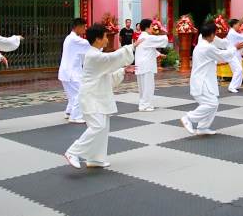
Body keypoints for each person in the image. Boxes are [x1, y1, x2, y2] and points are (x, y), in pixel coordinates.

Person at [64, 24, 142, 169]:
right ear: (98, 39)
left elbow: (107, 74)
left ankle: (95, 158)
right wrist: (131, 47)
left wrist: (123, 70)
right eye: (106, 36)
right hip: (91, 97)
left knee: (103, 127)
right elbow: (111, 59)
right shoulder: (93, 55)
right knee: (98, 126)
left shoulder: (96, 54)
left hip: (98, 96)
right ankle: (73, 152)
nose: (107, 39)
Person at [180, 23, 235, 136]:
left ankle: (203, 127)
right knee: (212, 104)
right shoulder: (207, 47)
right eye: (214, 34)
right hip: (202, 81)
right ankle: (189, 118)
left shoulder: (201, 45)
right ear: (211, 35)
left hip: (203, 80)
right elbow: (222, 55)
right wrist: (234, 48)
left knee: (213, 103)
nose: (215, 37)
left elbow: (217, 56)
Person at [58, 18, 91, 124]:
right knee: (80, 93)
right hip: (71, 73)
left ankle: (69, 112)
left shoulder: (70, 38)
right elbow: (89, 45)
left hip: (67, 72)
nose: (85, 29)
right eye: (84, 27)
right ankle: (75, 116)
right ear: (78, 27)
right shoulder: (74, 39)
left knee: (73, 94)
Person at [134, 18, 169, 111]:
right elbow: (164, 40)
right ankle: (145, 105)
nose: (152, 28)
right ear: (147, 27)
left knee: (142, 86)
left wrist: (159, 54)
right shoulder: (147, 37)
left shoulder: (142, 36)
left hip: (140, 65)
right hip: (146, 66)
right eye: (151, 26)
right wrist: (162, 31)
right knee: (148, 86)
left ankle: (143, 103)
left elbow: (149, 48)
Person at [225, 19, 243, 93]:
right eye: (238, 24)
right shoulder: (232, 33)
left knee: (238, 70)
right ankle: (232, 87)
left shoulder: (234, 33)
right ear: (234, 25)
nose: (239, 26)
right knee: (238, 70)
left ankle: (237, 86)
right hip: (232, 55)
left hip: (237, 54)